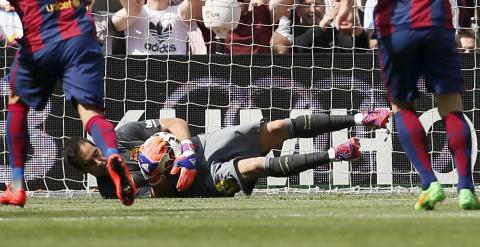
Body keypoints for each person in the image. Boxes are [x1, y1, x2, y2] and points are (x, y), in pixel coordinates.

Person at [336, 0, 479, 210]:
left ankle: (430, 183)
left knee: (401, 107)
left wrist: (347, 6)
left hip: (395, 26)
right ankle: (466, 187)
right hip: (436, 21)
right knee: (451, 107)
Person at [65, 109, 390, 198]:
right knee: (253, 166)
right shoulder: (112, 189)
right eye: (92, 162)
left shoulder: (122, 135)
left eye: (96, 152)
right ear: (86, 172)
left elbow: (175, 122)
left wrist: (187, 150)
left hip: (202, 148)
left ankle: (362, 118)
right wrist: (156, 171)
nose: (99, 159)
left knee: (275, 129)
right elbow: (160, 193)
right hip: (195, 186)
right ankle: (337, 154)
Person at [0, 0, 137, 207]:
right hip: (80, 37)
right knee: (91, 114)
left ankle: (17, 186)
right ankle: (112, 155)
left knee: (18, 106)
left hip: (40, 41)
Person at [110, 0, 204, 55]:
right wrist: (134, 9)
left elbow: (195, 4)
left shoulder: (180, 13)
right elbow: (114, 24)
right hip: (138, 79)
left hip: (174, 81)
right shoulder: (133, 12)